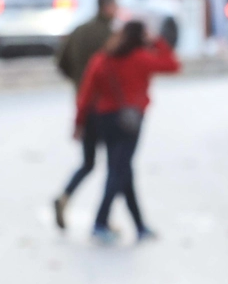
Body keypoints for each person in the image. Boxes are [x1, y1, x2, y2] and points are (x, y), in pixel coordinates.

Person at [74, 20, 179, 244]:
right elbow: (173, 65)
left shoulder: (102, 59)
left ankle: (139, 225)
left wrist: (79, 123)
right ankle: (100, 223)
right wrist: (156, 41)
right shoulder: (141, 58)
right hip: (130, 122)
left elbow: (85, 94)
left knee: (123, 171)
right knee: (119, 171)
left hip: (104, 120)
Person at [53, 0, 117, 229]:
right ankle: (103, 219)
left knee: (89, 162)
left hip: (83, 102)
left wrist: (78, 82)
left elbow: (60, 62)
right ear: (108, 7)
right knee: (116, 166)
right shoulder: (110, 36)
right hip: (106, 107)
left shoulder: (79, 31)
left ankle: (65, 197)